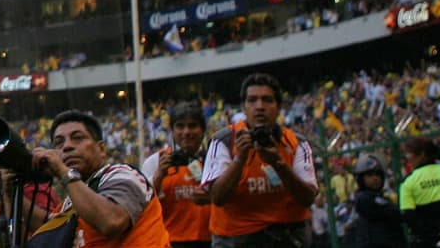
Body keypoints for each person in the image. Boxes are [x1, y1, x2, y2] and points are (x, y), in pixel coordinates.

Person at [202, 73, 318, 247]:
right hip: (236, 240)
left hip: (287, 237)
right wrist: (240, 159)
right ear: (243, 107)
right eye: (252, 100)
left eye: (267, 100)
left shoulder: (297, 143)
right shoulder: (224, 140)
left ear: (278, 107)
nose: (260, 107)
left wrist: (279, 164)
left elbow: (308, 197)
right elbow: (217, 198)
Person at [27, 110, 171, 247]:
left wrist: (63, 172)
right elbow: (47, 227)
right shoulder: (74, 198)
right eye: (59, 142)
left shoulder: (123, 174)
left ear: (101, 149)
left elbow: (112, 221)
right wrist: (8, 190)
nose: (67, 146)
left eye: (77, 138)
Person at [142, 102, 212, 248]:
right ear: (172, 131)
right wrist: (160, 174)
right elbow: (142, 204)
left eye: (193, 126)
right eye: (180, 126)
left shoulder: (215, 159)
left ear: (203, 130)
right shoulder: (155, 162)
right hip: (169, 241)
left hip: (210, 239)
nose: (186, 132)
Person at [345, 155, 404, 248]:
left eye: (378, 174)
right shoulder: (364, 198)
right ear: (360, 179)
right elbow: (394, 213)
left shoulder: (380, 196)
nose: (375, 178)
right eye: (369, 175)